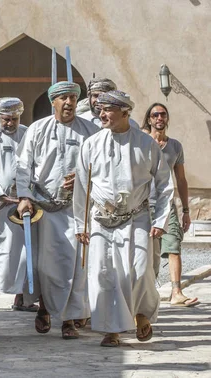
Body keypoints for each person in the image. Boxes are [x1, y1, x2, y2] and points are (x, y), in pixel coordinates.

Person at [74, 90, 174, 346]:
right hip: (101, 220)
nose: (102, 114)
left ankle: (141, 313)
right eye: (101, 109)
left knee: (140, 270)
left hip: (137, 217)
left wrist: (160, 220)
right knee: (106, 274)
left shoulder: (145, 143)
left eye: (109, 110)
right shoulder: (91, 144)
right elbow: (82, 189)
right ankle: (112, 330)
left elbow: (164, 185)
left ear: (125, 113)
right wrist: (81, 224)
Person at [16, 81, 99, 339]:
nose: (69, 102)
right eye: (63, 97)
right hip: (44, 207)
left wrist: (85, 177)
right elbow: (23, 166)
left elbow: (101, 165)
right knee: (45, 265)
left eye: (73, 97)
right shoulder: (37, 130)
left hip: (76, 208)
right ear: (53, 101)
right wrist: (24, 196)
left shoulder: (90, 130)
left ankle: (69, 319)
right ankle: (45, 307)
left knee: (76, 266)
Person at [0, 97, 38, 312]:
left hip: (21, 204)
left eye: (14, 119)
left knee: (24, 251)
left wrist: (25, 195)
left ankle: (21, 297)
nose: (9, 123)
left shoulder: (28, 134)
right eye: (5, 119)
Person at [141, 103, 199, 307]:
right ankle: (146, 293)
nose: (159, 118)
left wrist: (185, 210)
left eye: (163, 114)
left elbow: (181, 180)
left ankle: (176, 291)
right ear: (149, 119)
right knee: (148, 252)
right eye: (155, 114)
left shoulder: (175, 146)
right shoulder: (140, 141)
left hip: (167, 205)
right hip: (143, 204)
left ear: (167, 118)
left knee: (174, 245)